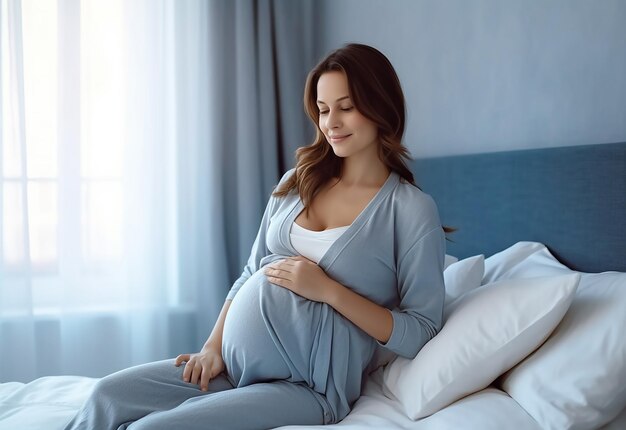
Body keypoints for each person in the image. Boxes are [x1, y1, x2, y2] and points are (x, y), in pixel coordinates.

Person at [64, 43, 446, 430]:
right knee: (105, 396)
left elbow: (420, 331)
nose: (331, 122)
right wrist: (212, 347)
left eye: (346, 107)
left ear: (381, 106)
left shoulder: (409, 209)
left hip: (306, 386)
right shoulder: (299, 182)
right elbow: (250, 271)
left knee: (154, 429)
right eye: (324, 109)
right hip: (230, 365)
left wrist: (329, 291)